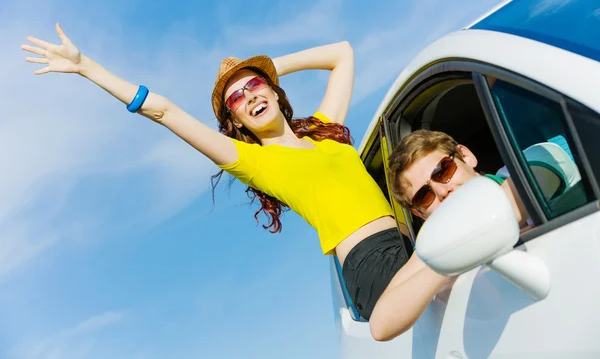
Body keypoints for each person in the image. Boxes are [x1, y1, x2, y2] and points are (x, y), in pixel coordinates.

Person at [21, 24, 413, 325]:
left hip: (407, 238)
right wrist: (86, 67)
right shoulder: (252, 161)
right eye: (236, 99)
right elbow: (165, 111)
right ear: (236, 120)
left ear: (276, 92)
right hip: (370, 263)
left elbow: (342, 54)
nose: (249, 97)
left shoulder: (328, 131)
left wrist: (266, 70)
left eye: (255, 87)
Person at [369, 129, 531, 341]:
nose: (442, 191)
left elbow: (513, 202)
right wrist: (445, 261)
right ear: (419, 212)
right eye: (424, 196)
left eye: (442, 171)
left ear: (466, 156)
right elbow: (381, 325)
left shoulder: (525, 165)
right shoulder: (437, 244)